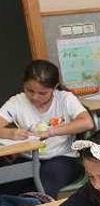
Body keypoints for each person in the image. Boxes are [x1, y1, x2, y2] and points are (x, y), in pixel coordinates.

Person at [0, 60, 94, 197]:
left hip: (63, 158)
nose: (34, 97)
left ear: (55, 87)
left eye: (42, 93)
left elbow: (87, 122)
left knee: (43, 187)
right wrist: (10, 133)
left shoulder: (65, 99)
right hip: (29, 158)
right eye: (29, 90)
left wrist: (51, 132)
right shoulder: (17, 101)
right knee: (7, 186)